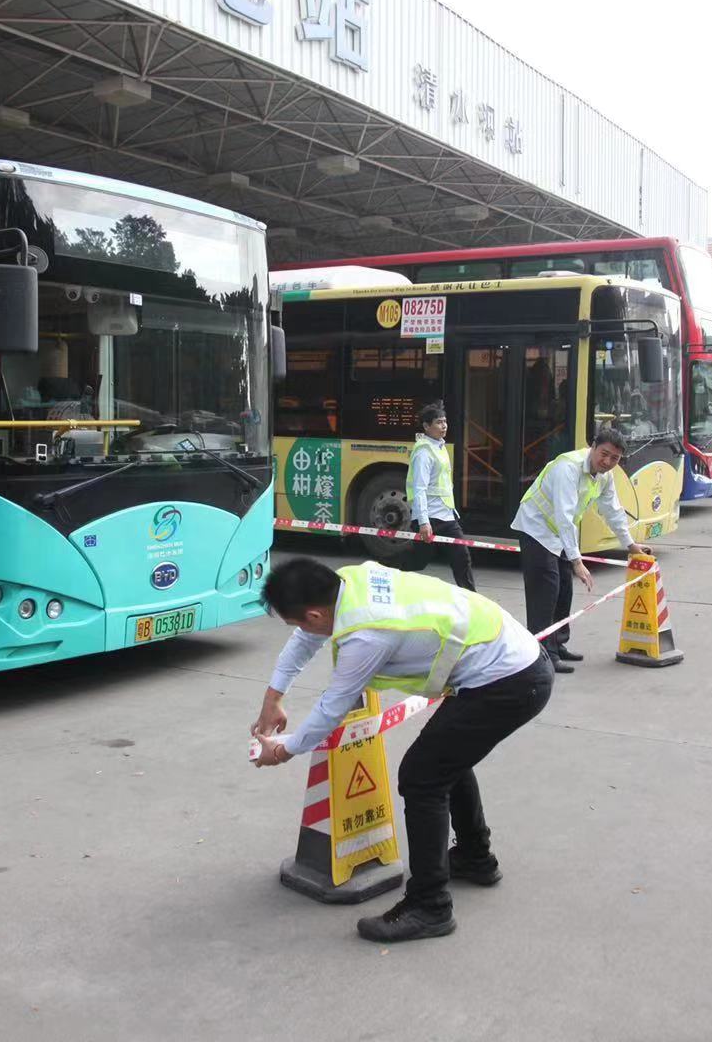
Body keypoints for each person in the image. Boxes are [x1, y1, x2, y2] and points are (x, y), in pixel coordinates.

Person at [251, 558, 554, 942]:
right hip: (512, 663)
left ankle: (430, 907)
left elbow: (333, 706)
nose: (301, 631)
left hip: (510, 681)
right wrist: (272, 697)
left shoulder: (368, 634)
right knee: (445, 760)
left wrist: (283, 750)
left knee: (422, 777)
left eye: (297, 621)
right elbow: (305, 639)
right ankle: (476, 858)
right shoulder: (348, 582)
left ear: (313, 613)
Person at [512, 426, 652, 673]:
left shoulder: (605, 475)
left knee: (564, 588)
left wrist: (631, 545)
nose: (608, 462)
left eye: (615, 458)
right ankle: (542, 655)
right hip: (535, 528)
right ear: (593, 447)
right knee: (546, 590)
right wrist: (577, 560)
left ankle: (558, 644)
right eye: (604, 454)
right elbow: (564, 516)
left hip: (559, 533)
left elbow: (613, 511)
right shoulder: (569, 468)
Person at [407, 403, 474, 590]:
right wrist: (423, 522)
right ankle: (386, 575)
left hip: (446, 515)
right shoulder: (424, 452)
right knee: (418, 562)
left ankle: (472, 599)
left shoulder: (440, 447)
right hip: (429, 518)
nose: (444, 426)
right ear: (427, 426)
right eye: (438, 422)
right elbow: (419, 489)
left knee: (462, 557)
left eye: (445, 421)